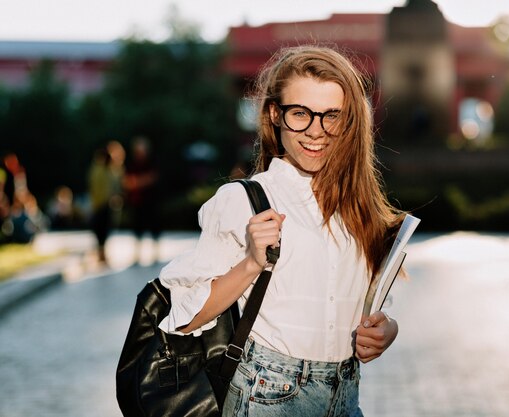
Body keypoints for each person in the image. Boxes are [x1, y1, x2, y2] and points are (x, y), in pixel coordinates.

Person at [157, 45, 406, 416]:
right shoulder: (246, 200)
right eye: (300, 114)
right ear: (275, 114)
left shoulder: (360, 208)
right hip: (268, 397)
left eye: (331, 116)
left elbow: (371, 307)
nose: (316, 131)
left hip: (345, 397)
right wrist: (251, 264)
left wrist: (386, 331)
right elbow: (184, 318)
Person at [123, 136, 161, 264]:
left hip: (151, 201)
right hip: (136, 201)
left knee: (153, 226)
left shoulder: (152, 162)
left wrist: (137, 182)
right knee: (137, 227)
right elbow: (126, 181)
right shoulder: (131, 163)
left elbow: (153, 178)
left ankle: (155, 253)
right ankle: (137, 255)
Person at [87, 147, 116, 264]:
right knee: (101, 231)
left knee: (101, 231)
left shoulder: (99, 169)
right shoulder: (101, 171)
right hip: (101, 204)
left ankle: (101, 254)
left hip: (101, 204)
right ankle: (101, 254)